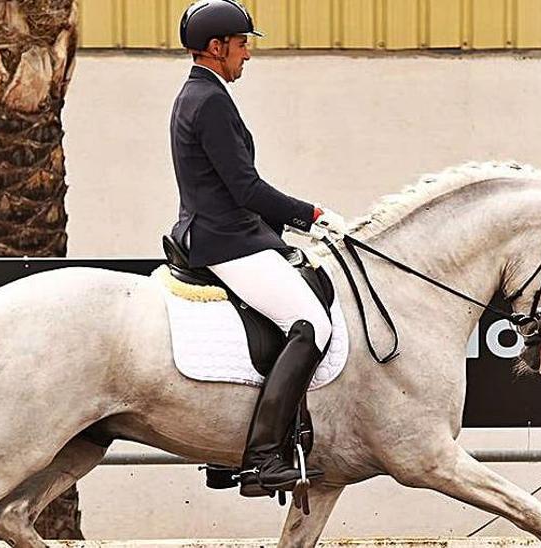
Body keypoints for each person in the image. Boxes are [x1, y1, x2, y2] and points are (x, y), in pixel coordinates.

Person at [168, 0, 347, 494]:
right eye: (243, 45)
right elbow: (245, 188)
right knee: (311, 326)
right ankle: (263, 457)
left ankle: (238, 447)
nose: (248, 55)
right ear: (216, 46)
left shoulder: (200, 94)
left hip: (227, 231)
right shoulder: (210, 101)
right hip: (226, 241)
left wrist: (286, 228)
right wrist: (312, 215)